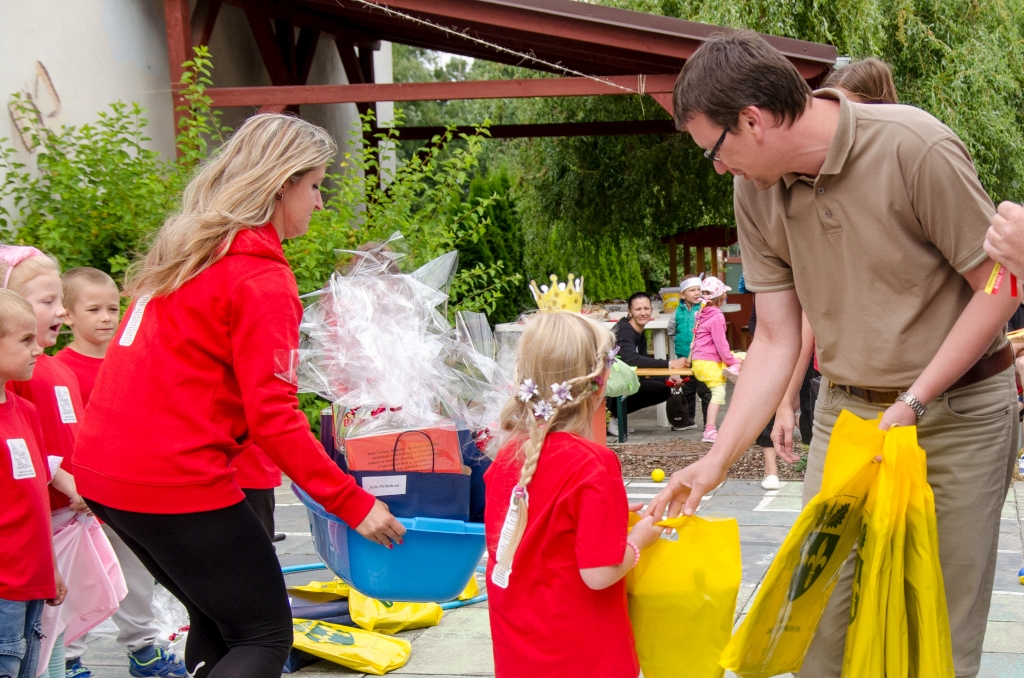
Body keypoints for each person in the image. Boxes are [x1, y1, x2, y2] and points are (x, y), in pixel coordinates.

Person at [648, 32, 1018, 678]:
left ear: (753, 120)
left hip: (957, 416)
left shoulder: (913, 145)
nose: (718, 168)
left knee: (933, 629)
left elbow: (1001, 282)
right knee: (815, 617)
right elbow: (776, 337)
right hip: (847, 415)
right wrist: (715, 461)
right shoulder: (756, 190)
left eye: (714, 149)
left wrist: (915, 400)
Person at [71, 114, 405, 678]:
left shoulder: (187, 256)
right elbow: (274, 417)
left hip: (104, 472)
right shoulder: (257, 278)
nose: (319, 202)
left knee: (218, 619)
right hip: (172, 476)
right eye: (315, 185)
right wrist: (353, 503)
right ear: (281, 185)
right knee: (264, 636)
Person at [485, 311, 663, 677]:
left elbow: (539, 533)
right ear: (601, 385)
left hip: (518, 652)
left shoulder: (507, 457)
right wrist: (639, 540)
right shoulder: (593, 463)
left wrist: (606, 515)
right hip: (585, 656)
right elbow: (598, 574)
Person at [55, 267, 186, 678]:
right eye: (93, 309)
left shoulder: (129, 359)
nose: (107, 317)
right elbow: (61, 435)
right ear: (67, 315)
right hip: (80, 498)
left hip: (127, 490)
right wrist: (75, 483)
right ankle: (69, 657)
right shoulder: (58, 369)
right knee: (80, 579)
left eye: (113, 308)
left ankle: (142, 648)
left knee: (137, 573)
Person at [769, 57, 899, 465]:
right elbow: (810, 316)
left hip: (914, 387)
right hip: (841, 386)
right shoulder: (814, 195)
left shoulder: (903, 172)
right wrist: (786, 398)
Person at [0, 288, 68, 678]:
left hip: (31, 586)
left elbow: (37, 502)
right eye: (25, 340)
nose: (38, 349)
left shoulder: (26, 411)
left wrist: (50, 569)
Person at [607, 292, 689, 435]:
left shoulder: (639, 332)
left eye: (646, 308)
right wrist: (670, 363)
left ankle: (615, 416)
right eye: (638, 309)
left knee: (663, 388)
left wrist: (668, 378)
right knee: (656, 388)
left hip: (622, 379)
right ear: (630, 312)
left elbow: (644, 365)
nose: (643, 313)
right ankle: (610, 416)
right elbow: (631, 360)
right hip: (607, 383)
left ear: (651, 310)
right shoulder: (624, 330)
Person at [689, 277, 742, 443]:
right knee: (719, 392)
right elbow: (721, 343)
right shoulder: (717, 316)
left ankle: (733, 369)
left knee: (742, 357)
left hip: (699, 361)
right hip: (709, 362)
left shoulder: (700, 313)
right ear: (721, 298)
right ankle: (709, 430)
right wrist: (730, 360)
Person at [667, 276, 711, 430]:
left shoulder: (704, 309)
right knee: (687, 390)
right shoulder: (677, 313)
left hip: (702, 357)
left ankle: (708, 423)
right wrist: (680, 344)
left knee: (705, 391)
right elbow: (672, 331)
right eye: (692, 290)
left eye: (699, 289)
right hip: (684, 358)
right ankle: (688, 420)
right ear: (682, 294)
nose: (697, 293)